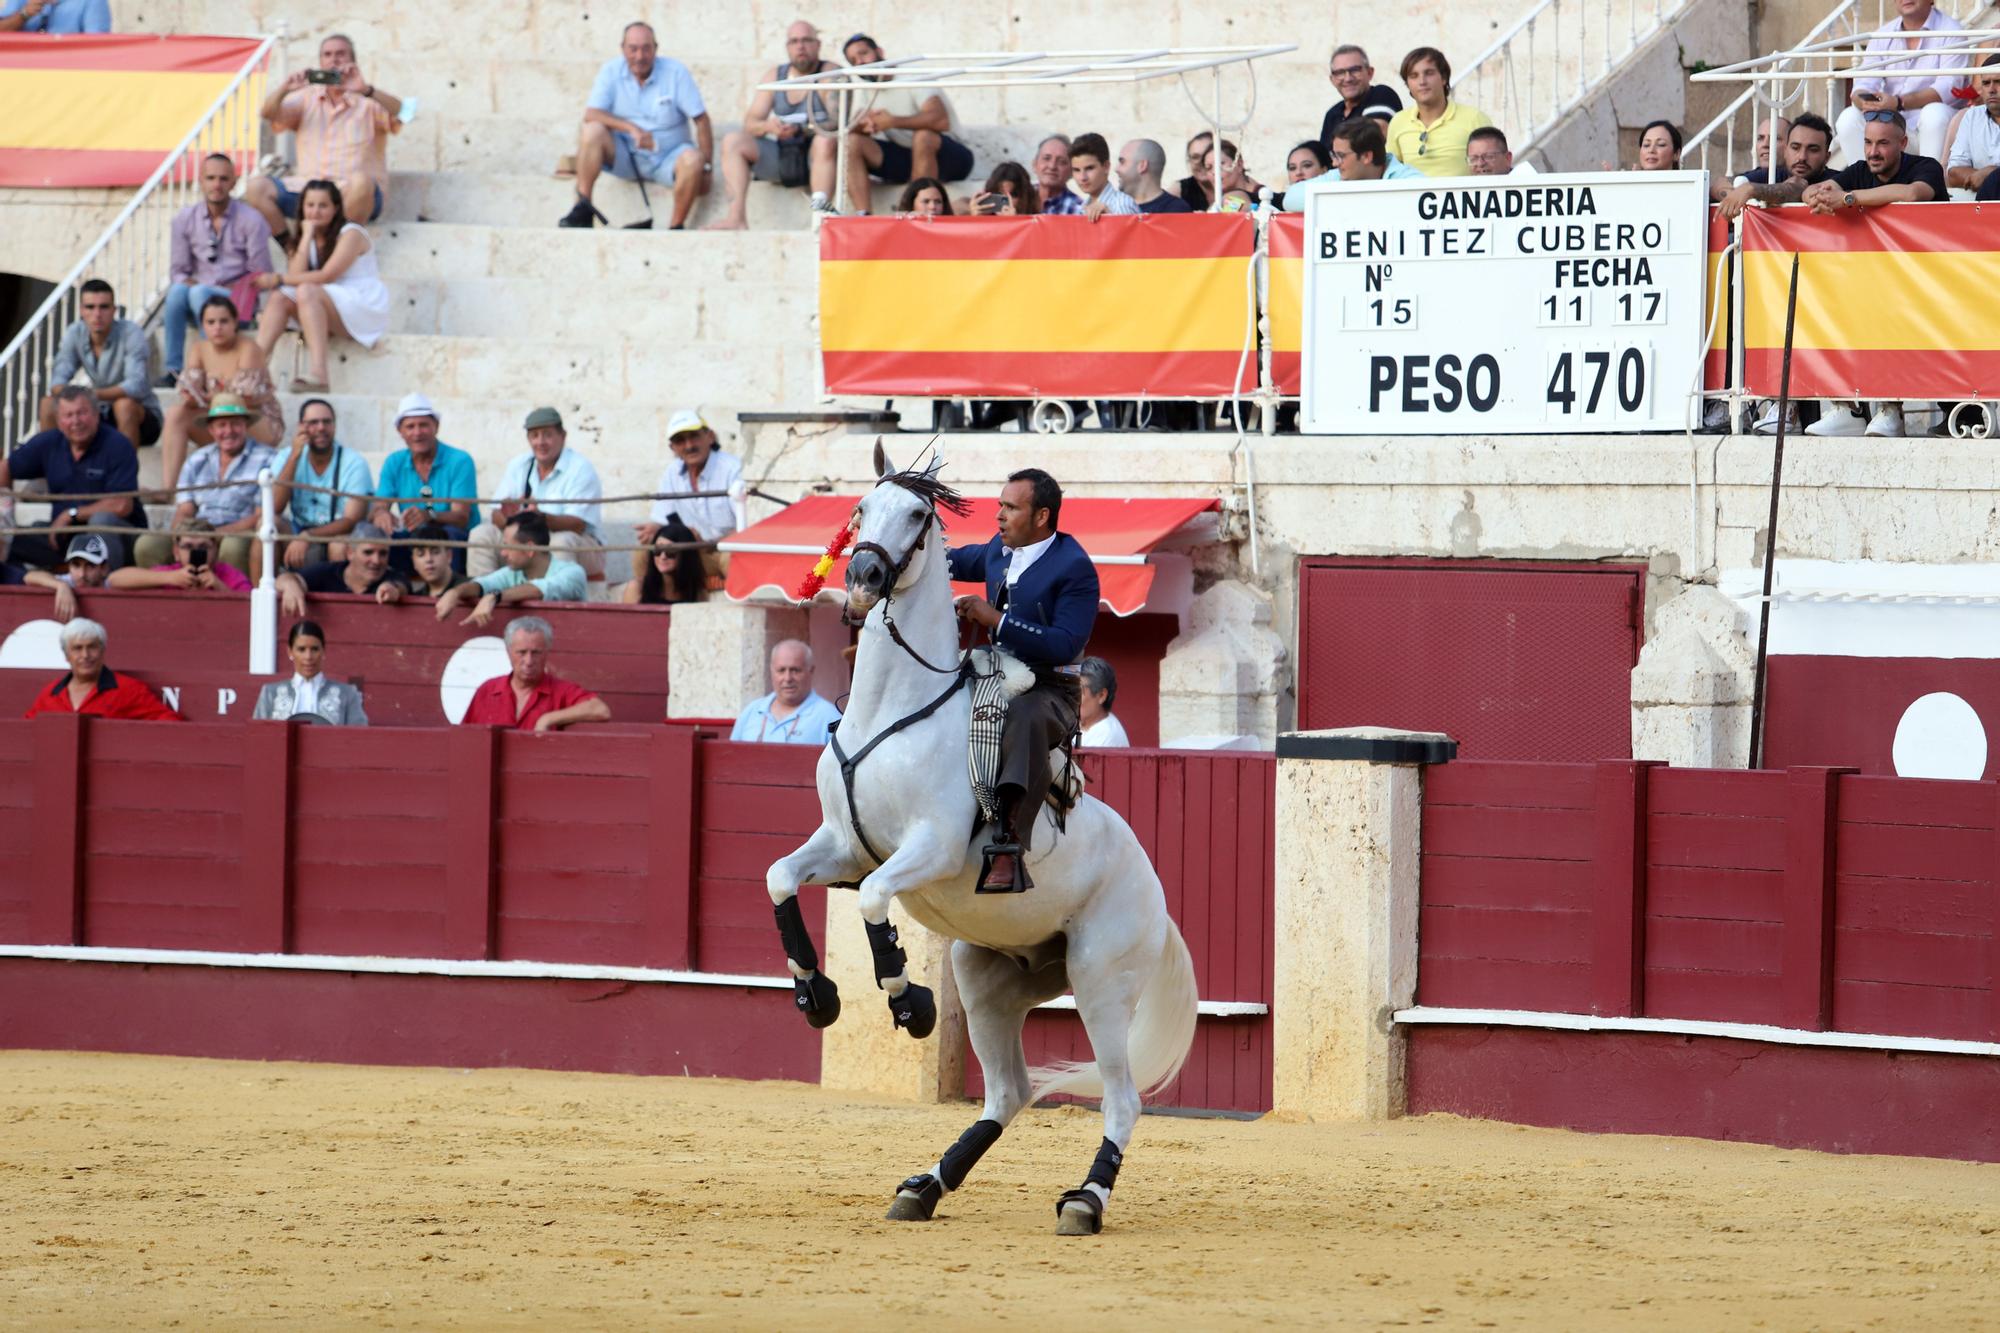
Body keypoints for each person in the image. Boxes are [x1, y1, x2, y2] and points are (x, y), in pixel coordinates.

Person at [946, 468, 1099, 893]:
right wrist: (903, 545)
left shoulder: (1075, 568)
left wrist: (994, 618)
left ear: (1042, 517)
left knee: (1024, 718)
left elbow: (1065, 644)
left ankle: (1008, 845)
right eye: (1000, 505)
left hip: (1052, 689)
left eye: (1011, 508)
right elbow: (956, 559)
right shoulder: (1000, 547)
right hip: (997, 671)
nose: (998, 516)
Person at [1804, 112, 1946, 438]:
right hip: (1873, 280)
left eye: (1883, 143)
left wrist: (1848, 199)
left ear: (1903, 143)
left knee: (1888, 309)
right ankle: (1848, 408)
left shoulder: (1926, 167)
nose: (1873, 152)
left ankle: (1890, 409)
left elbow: (1911, 194)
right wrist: (1815, 196)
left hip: (1929, 282)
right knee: (1824, 300)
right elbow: (1820, 191)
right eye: (1868, 142)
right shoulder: (1859, 170)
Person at [562, 21, 711, 230]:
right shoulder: (611, 70)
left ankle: (676, 226)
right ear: (622, 48)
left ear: (656, 49)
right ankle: (583, 207)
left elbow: (702, 120)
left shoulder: (675, 72)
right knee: (592, 131)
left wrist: (707, 167)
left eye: (646, 49)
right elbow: (591, 114)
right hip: (627, 156)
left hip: (669, 157)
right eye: (633, 49)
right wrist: (632, 129)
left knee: (693, 159)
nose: (639, 56)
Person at [247, 31, 402, 232]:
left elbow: (402, 112)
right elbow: (267, 114)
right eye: (327, 55)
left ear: (353, 61)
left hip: (353, 195)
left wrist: (365, 90)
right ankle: (290, 248)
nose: (334, 60)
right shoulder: (305, 98)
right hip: (310, 193)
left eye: (340, 54)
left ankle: (341, 247)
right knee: (256, 188)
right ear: (320, 62)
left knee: (362, 183)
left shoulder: (368, 101)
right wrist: (285, 89)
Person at [253, 179, 389, 392]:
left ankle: (319, 374)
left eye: (323, 206)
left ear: (336, 208)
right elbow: (296, 275)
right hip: (327, 302)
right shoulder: (306, 237)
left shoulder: (351, 233)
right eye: (310, 205)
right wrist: (306, 236)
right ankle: (255, 370)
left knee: (305, 290)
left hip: (360, 305)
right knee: (281, 297)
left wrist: (278, 279)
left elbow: (327, 275)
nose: (315, 212)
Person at [822, 34, 974, 215]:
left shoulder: (911, 74)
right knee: (851, 142)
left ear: (879, 52)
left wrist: (892, 121)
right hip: (906, 157)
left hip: (951, 156)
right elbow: (854, 125)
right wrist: (865, 124)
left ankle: (914, 213)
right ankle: (863, 216)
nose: (861, 62)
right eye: (854, 60)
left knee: (923, 137)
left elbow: (940, 119)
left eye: (863, 53)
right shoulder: (866, 87)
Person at [707, 19, 837, 230]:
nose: (800, 46)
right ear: (787, 47)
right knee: (733, 141)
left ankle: (821, 218)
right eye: (794, 41)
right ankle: (736, 217)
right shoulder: (775, 76)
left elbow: (840, 122)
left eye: (806, 40)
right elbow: (750, 122)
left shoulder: (830, 74)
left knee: (824, 142)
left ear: (818, 45)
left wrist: (803, 129)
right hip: (784, 154)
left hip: (819, 156)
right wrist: (770, 127)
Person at [1, 384, 144, 571]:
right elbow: (5, 467)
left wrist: (71, 515)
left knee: (101, 521)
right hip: (63, 535)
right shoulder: (49, 442)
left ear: (96, 415)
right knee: (9, 537)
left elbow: (121, 505)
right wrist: (5, 509)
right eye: (68, 415)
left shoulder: (118, 445)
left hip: (114, 536)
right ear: (59, 422)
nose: (75, 421)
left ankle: (103, 586)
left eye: (81, 413)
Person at [161, 153, 273, 384]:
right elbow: (179, 270)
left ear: (233, 182)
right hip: (198, 297)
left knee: (199, 292)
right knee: (176, 292)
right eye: (210, 178)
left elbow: (260, 273)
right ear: (200, 180)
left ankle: (211, 369)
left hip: (237, 300)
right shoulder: (184, 219)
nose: (217, 185)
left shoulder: (252, 219)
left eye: (223, 179)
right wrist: (196, 284)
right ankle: (173, 370)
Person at [158, 295, 282, 497]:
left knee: (232, 414)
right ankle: (168, 489)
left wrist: (207, 397)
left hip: (256, 420)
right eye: (210, 322)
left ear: (235, 323)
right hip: (218, 419)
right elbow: (194, 388)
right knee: (176, 414)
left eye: (224, 321)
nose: (217, 327)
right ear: (203, 326)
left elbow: (243, 400)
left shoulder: (249, 348)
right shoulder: (199, 348)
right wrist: (191, 396)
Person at [137, 392, 273, 570]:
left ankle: (235, 595)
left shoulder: (268, 459)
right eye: (221, 425)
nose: (228, 431)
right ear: (211, 430)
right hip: (198, 533)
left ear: (246, 426)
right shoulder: (197, 460)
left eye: (235, 424)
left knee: (232, 547)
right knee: (148, 545)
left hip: (241, 533)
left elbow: (261, 515)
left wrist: (217, 535)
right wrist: (181, 539)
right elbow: (185, 510)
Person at [467, 406, 605, 581]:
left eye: (547, 434)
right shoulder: (519, 464)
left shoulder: (581, 469)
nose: (540, 442)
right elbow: (495, 514)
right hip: (524, 537)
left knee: (560, 543)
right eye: (534, 436)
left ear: (562, 436)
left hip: (581, 544)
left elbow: (577, 526)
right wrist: (511, 518)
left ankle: (554, 603)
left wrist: (539, 519)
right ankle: (483, 592)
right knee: (481, 534)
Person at [1834, 0, 1964, 167]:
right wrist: (1865, 101)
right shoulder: (1883, 34)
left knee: (1934, 113)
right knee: (1848, 118)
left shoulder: (1951, 30)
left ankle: (1931, 183)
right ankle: (1866, 185)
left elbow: (1950, 87)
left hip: (1934, 131)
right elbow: (1863, 82)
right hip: (1892, 129)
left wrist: (1899, 103)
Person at [38, 279, 162, 448]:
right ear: (81, 310)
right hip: (97, 412)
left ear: (114, 310)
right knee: (48, 404)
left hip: (142, 416)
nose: (97, 314)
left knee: (123, 406)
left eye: (104, 307)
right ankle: (53, 469)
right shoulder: (75, 332)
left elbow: (136, 386)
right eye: (90, 307)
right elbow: (57, 382)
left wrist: (92, 395)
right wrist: (79, 398)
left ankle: (125, 473)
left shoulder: (131, 332)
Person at [370, 393, 480, 572]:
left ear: (436, 427)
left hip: (453, 537)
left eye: (423, 425)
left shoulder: (460, 460)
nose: (417, 433)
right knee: (377, 538)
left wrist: (429, 516)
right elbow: (378, 506)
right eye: (410, 427)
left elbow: (461, 517)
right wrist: (381, 514)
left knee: (448, 538)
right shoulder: (394, 461)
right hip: (412, 536)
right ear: (400, 431)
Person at [268, 397, 372, 569]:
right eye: (313, 423)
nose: (321, 428)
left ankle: (337, 595)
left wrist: (308, 536)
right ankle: (261, 593)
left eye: (327, 422)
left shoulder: (354, 462)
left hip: (337, 534)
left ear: (334, 426)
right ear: (301, 427)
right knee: (268, 523)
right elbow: (273, 507)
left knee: (337, 545)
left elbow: (352, 519)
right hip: (298, 531)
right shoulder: (287, 456)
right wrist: (294, 456)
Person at [435, 511, 586, 627]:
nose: (503, 553)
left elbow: (539, 589)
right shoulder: (512, 572)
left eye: (508, 546)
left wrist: (494, 597)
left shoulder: (573, 573)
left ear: (529, 548)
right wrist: (454, 592)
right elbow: (482, 584)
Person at [637, 409, 739, 580]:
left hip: (724, 550)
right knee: (642, 553)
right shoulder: (672, 472)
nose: (689, 445)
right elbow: (663, 518)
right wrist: (656, 530)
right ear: (672, 448)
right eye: (680, 440)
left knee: (734, 558)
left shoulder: (732, 469)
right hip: (691, 552)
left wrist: (709, 545)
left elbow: (749, 527)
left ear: (710, 436)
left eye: (694, 436)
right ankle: (653, 604)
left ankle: (743, 607)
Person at [461, 616, 611, 732]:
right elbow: (464, 737)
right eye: (521, 652)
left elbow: (600, 710)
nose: (528, 660)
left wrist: (548, 718)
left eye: (536, 653)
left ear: (547, 652)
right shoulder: (488, 690)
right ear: (508, 651)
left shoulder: (561, 691)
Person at [23, 618, 181, 721]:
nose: (85, 655)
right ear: (66, 655)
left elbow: (169, 724)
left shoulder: (129, 689)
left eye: (92, 647)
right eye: (77, 648)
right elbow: (25, 730)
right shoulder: (50, 693)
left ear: (103, 651)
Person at [1385, 47, 1493, 178]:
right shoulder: (1398, 121)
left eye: (1429, 73)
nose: (1422, 82)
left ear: (1444, 78)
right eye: (1414, 76)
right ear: (1408, 84)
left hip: (1461, 198)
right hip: (1411, 198)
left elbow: (1494, 167)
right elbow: (1389, 172)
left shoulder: (1474, 118)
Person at [274, 521, 405, 615]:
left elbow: (400, 586)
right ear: (350, 553)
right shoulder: (327, 571)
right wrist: (291, 585)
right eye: (368, 552)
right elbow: (284, 579)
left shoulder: (391, 577)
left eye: (383, 554)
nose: (376, 561)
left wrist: (393, 590)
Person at [252, 620, 369, 725]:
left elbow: (358, 739)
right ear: (290, 652)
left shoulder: (348, 694)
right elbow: (257, 737)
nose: (308, 657)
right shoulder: (270, 693)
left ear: (323, 651)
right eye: (301, 649)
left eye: (314, 649)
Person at [1718, 113, 1835, 217]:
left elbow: (1796, 189)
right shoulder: (1774, 173)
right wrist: (1735, 197)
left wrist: (1751, 190)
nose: (1802, 157)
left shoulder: (1838, 181)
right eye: (1795, 148)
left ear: (1826, 157)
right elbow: (1719, 184)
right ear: (1785, 151)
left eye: (1813, 150)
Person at [730, 638, 842, 743]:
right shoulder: (751, 712)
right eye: (781, 670)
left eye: (795, 670)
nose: (787, 678)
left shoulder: (831, 718)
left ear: (811, 671)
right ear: (771, 671)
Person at [111, 517, 251, 593]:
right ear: (176, 552)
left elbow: (251, 606)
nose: (195, 551)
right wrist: (170, 578)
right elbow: (114, 580)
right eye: (188, 546)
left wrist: (219, 587)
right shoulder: (171, 573)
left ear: (215, 550)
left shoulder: (229, 575)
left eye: (203, 547)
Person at [1319, 44, 1404, 147]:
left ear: (1370, 73)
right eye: (1340, 72)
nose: (1348, 78)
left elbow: (1370, 141)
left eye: (1355, 70)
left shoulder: (1381, 94)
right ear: (1332, 80)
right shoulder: (1332, 114)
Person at [21, 532, 113, 623]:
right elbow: (29, 577)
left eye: (90, 566)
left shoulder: (109, 583)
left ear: (104, 568)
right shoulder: (67, 581)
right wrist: (61, 586)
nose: (82, 574)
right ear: (68, 566)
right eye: (76, 565)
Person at [1043, 133, 1137, 218]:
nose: (1082, 177)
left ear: (1106, 167)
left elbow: (1132, 237)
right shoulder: (1081, 208)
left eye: (1089, 168)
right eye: (1076, 170)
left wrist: (1111, 219)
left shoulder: (1121, 204)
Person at [1946, 54, 2000, 200]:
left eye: (1998, 82)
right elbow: (1953, 173)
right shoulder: (1972, 116)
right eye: (1986, 83)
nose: (1991, 89)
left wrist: (1990, 174)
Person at [623, 515, 706, 605]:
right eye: (658, 550)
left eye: (670, 551)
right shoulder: (637, 588)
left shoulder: (697, 592)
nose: (663, 556)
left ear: (685, 555)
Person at [403, 521, 475, 599]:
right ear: (413, 562)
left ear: (449, 555)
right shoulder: (415, 599)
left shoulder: (473, 588)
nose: (429, 559)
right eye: (421, 554)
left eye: (435, 552)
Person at [1117, 139, 1189, 213]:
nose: (1116, 169)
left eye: (1122, 162)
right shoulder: (1115, 207)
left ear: (1142, 166)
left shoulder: (1176, 211)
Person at [1076, 656, 1129, 747]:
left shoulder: (1107, 737)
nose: (1073, 698)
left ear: (1101, 695)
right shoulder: (1080, 725)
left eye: (1079, 691)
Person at [967, 161, 1041, 215]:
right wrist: (976, 221)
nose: (1005, 201)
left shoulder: (1036, 220)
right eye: (999, 194)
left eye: (1013, 194)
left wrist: (1016, 223)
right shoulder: (984, 215)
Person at [0, 0, 109, 32]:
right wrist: (23, 15)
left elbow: (97, 47)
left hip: (66, 71)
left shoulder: (93, 2)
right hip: (23, 69)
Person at [1030, 135, 1071, 212]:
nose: (1052, 166)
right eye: (1046, 158)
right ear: (1034, 164)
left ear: (1071, 171)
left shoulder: (1080, 211)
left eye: (1061, 162)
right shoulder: (1017, 196)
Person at [1176, 130, 1215, 210]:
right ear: (1189, 161)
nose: (1201, 162)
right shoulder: (1180, 190)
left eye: (1206, 154)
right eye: (1195, 157)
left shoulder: (1236, 186)